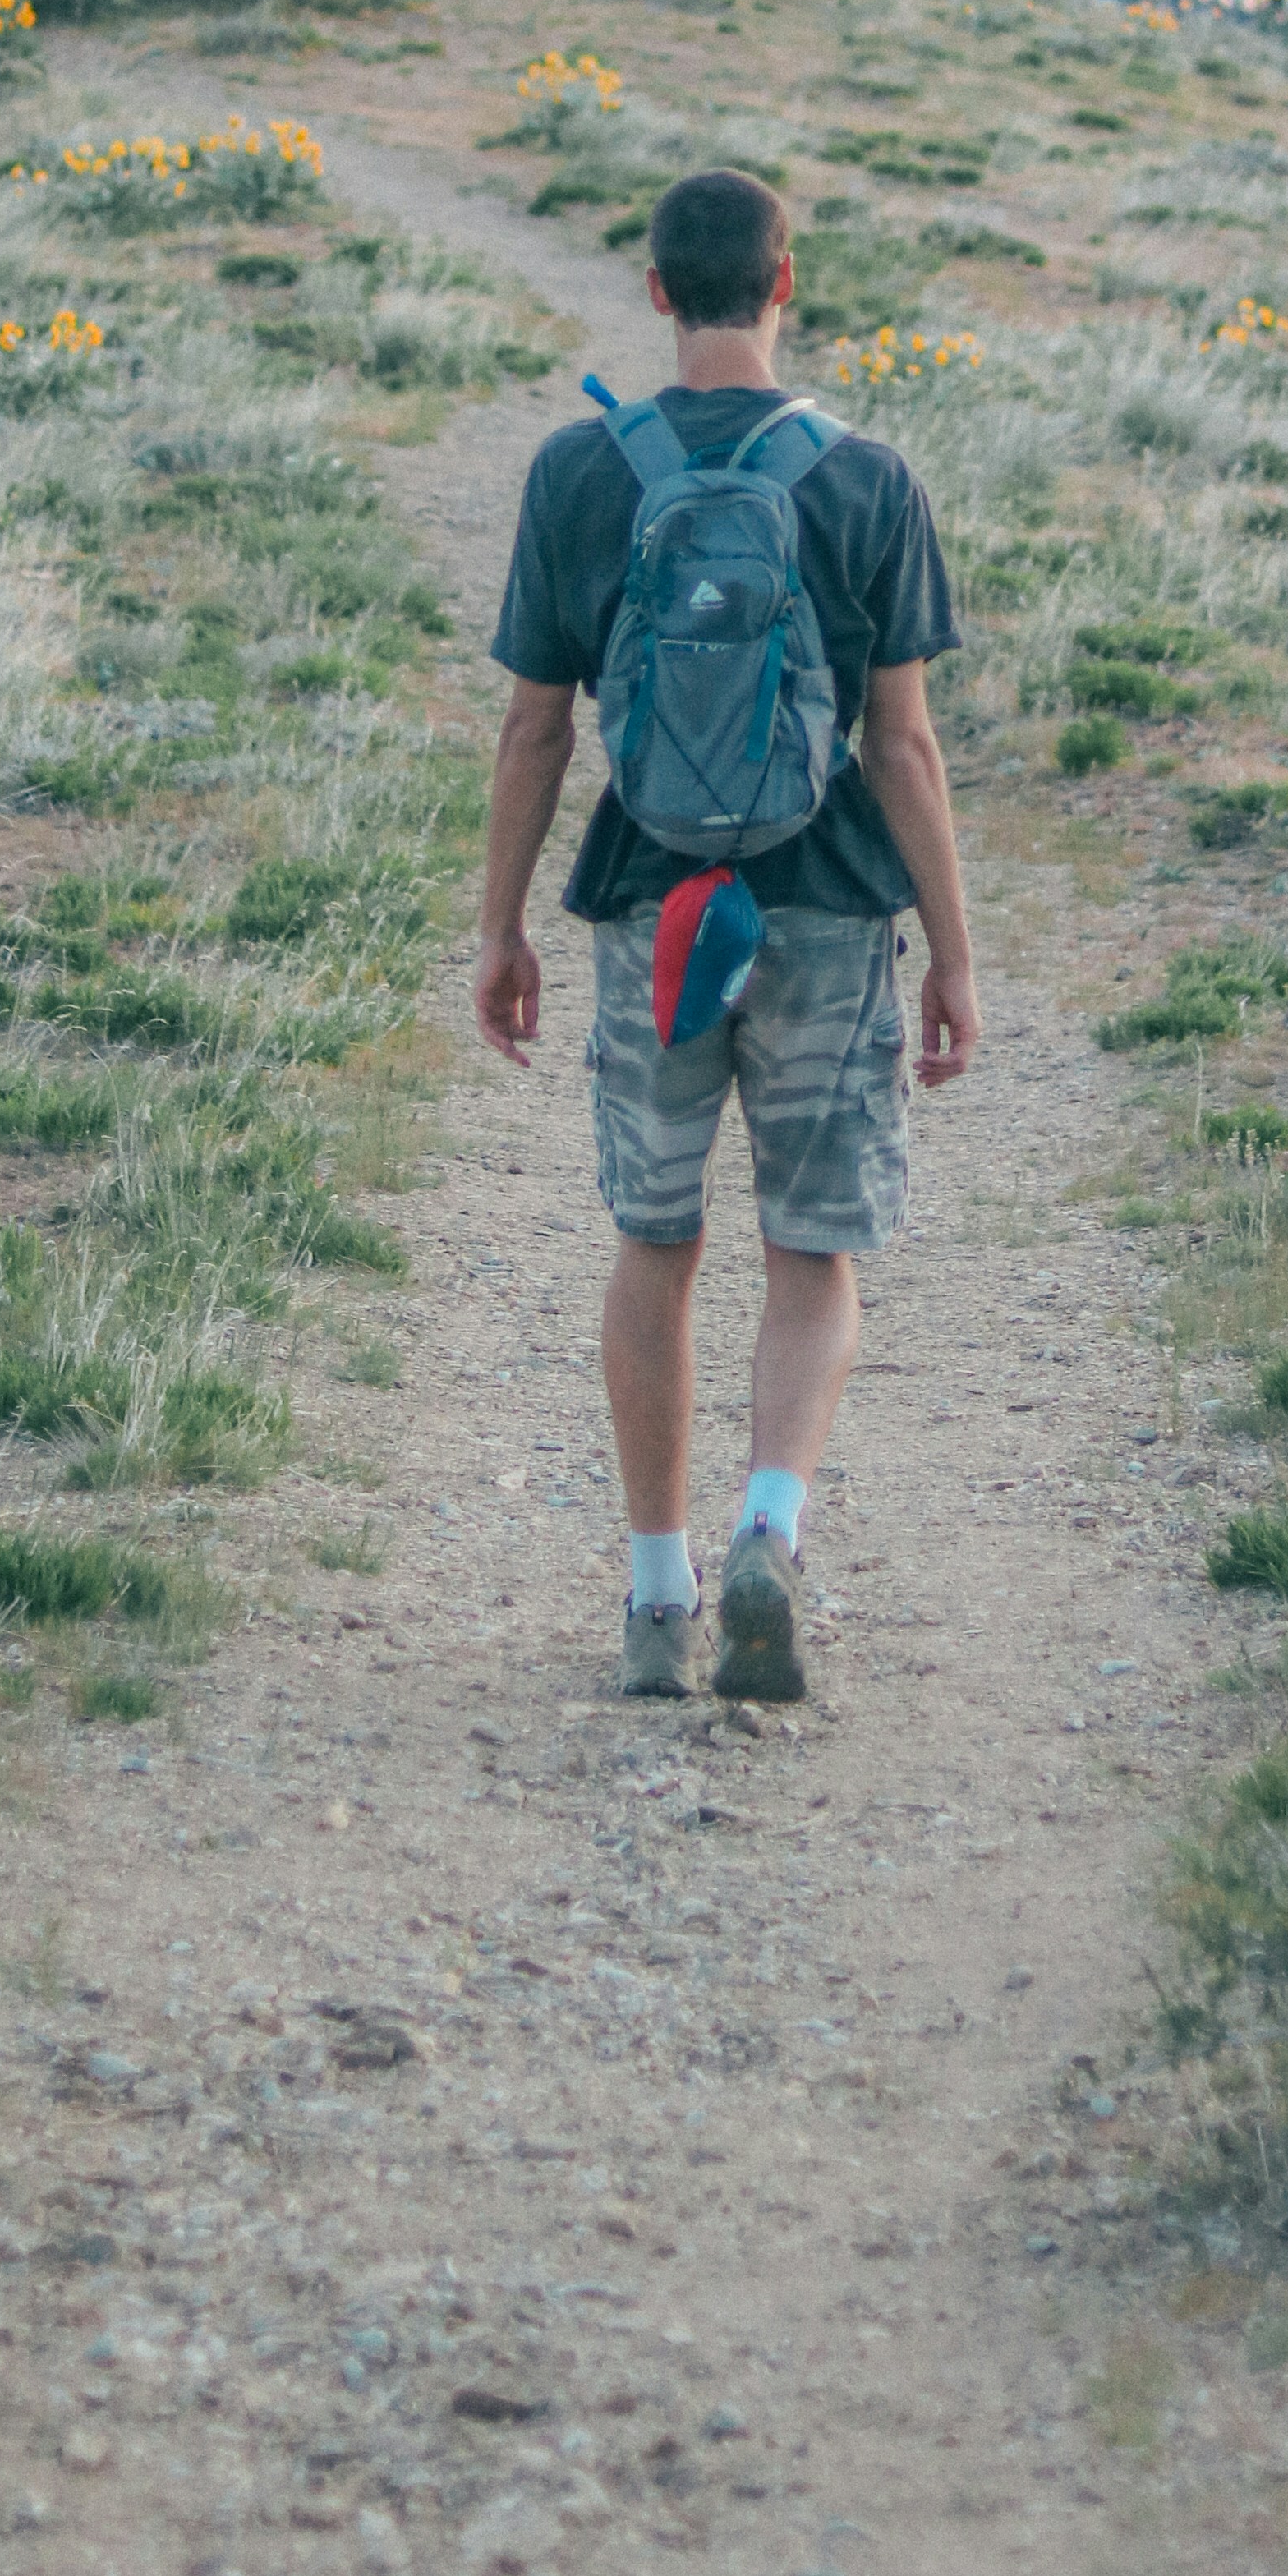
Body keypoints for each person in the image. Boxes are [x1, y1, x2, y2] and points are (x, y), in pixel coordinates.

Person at [474, 167, 980, 1703]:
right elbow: (902, 747)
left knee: (656, 1237)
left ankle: (651, 1594)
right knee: (814, 1249)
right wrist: (951, 950)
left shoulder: (581, 472)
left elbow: (534, 732)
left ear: (651, 291)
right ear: (784, 281)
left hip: (654, 907)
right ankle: (771, 1524)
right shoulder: (866, 479)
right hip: (827, 905)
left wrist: (501, 926)